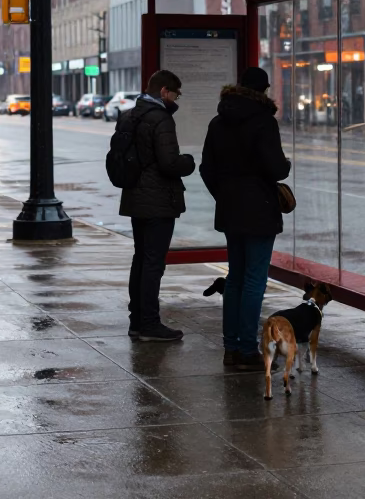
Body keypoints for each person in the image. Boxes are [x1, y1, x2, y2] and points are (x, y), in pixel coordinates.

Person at [199, 67, 292, 368]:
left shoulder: (217, 122)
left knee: (236, 278)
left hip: (231, 210)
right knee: (254, 280)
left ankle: (231, 348)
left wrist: (224, 196)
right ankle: (248, 350)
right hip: (260, 210)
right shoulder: (263, 122)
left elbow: (207, 169)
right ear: (263, 91)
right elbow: (277, 168)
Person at [117, 70, 196, 342]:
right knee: (153, 263)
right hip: (158, 201)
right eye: (175, 94)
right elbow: (169, 163)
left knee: (141, 260)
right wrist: (188, 161)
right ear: (164, 91)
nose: (176, 99)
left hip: (135, 199)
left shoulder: (129, 115)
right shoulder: (160, 118)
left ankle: (136, 321)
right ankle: (150, 324)